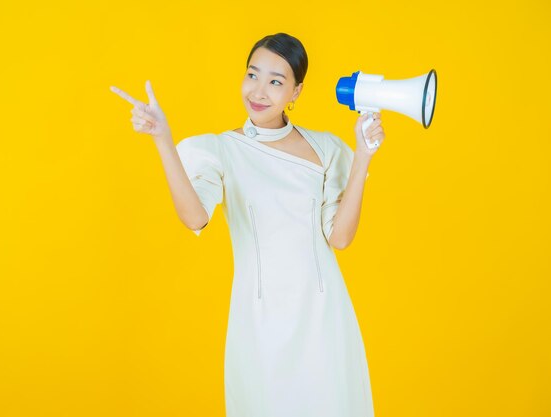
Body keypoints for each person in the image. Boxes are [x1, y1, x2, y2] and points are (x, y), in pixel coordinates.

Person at [111, 32, 385, 417]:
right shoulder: (222, 149)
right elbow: (194, 216)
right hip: (259, 318)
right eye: (252, 75)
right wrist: (163, 141)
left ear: (296, 91)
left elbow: (339, 238)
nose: (259, 91)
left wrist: (363, 157)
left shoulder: (326, 148)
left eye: (276, 81)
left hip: (324, 316)